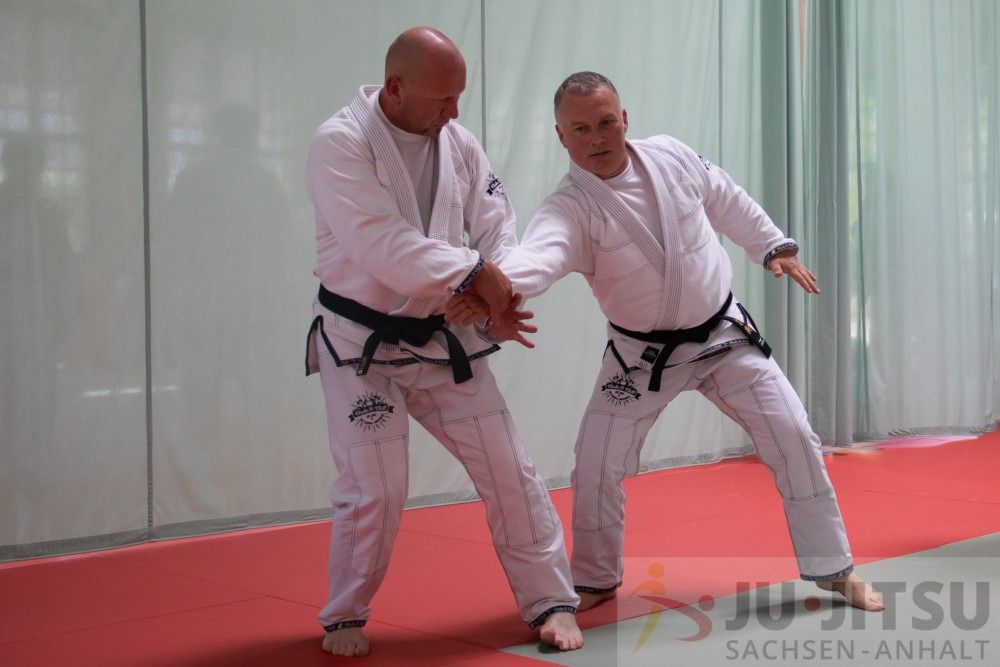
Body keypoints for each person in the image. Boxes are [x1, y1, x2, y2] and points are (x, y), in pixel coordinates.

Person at [448, 71, 884, 614]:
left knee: (794, 435)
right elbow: (538, 257)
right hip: (641, 360)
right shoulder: (569, 208)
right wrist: (489, 285)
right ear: (561, 136)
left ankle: (835, 569)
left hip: (725, 338)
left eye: (606, 122)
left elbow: (727, 198)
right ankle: (595, 577)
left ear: (624, 119)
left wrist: (773, 245)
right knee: (596, 463)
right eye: (581, 129)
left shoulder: (672, 157)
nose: (597, 138)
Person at [303, 27, 582, 657]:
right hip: (361, 345)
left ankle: (551, 600)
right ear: (395, 88)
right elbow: (383, 246)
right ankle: (345, 613)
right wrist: (473, 274)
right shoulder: (340, 143)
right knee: (376, 489)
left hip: (441, 338)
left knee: (511, 469)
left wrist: (491, 298)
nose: (454, 112)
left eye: (459, 97)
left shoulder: (458, 143)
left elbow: (498, 231)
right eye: (442, 99)